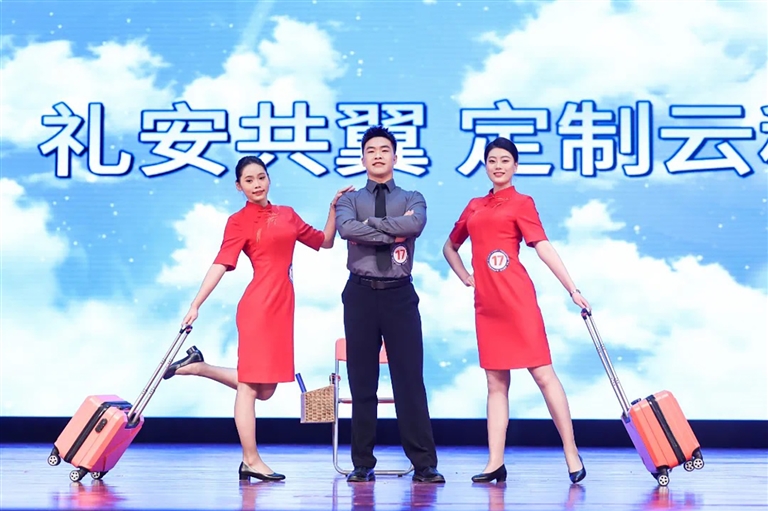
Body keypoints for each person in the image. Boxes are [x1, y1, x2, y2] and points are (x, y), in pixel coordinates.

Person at [163, 155, 352, 482]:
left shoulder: (287, 214)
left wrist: (333, 208)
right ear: (239, 187)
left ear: (269, 179)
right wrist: (196, 304)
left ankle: (199, 367)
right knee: (250, 387)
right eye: (248, 180)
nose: (256, 184)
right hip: (258, 308)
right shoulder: (239, 221)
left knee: (266, 390)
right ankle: (250, 460)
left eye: (261, 177)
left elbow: (324, 241)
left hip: (282, 308)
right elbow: (221, 263)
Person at [442, 137, 590, 484]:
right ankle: (495, 462)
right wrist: (466, 276)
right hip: (487, 306)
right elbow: (450, 247)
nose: (498, 166)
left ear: (515, 166)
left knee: (543, 374)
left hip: (518, 301)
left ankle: (571, 451)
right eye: (492, 160)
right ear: (485, 165)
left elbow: (543, 246)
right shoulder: (474, 205)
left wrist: (572, 288)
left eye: (505, 160)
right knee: (495, 382)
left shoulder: (523, 202)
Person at [334, 126, 444, 484]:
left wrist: (372, 225)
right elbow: (346, 229)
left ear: (395, 157)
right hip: (360, 294)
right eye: (371, 150)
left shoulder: (413, 196)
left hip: (400, 295)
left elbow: (417, 225)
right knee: (362, 380)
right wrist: (393, 230)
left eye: (384, 150)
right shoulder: (350, 199)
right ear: (363, 158)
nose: (378, 155)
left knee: (409, 380)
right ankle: (362, 462)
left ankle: (424, 464)